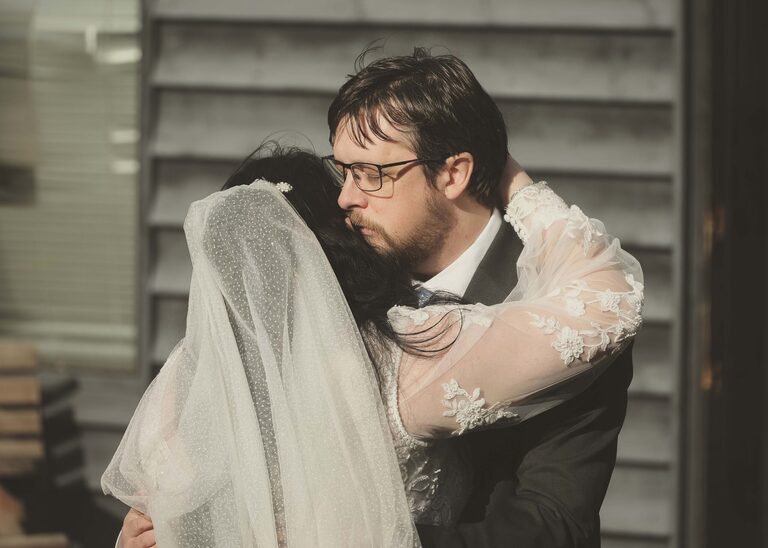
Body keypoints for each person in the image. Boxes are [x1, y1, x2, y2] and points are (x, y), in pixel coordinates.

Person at [109, 143, 643, 547]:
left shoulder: (188, 375)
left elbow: (149, 524)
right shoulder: (398, 358)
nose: (356, 200)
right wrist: (514, 182)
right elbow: (606, 306)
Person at [324, 48, 641, 547]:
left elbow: (555, 526)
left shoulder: (563, 313)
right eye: (343, 171)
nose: (346, 197)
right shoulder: (333, 271)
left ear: (454, 173)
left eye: (372, 175)